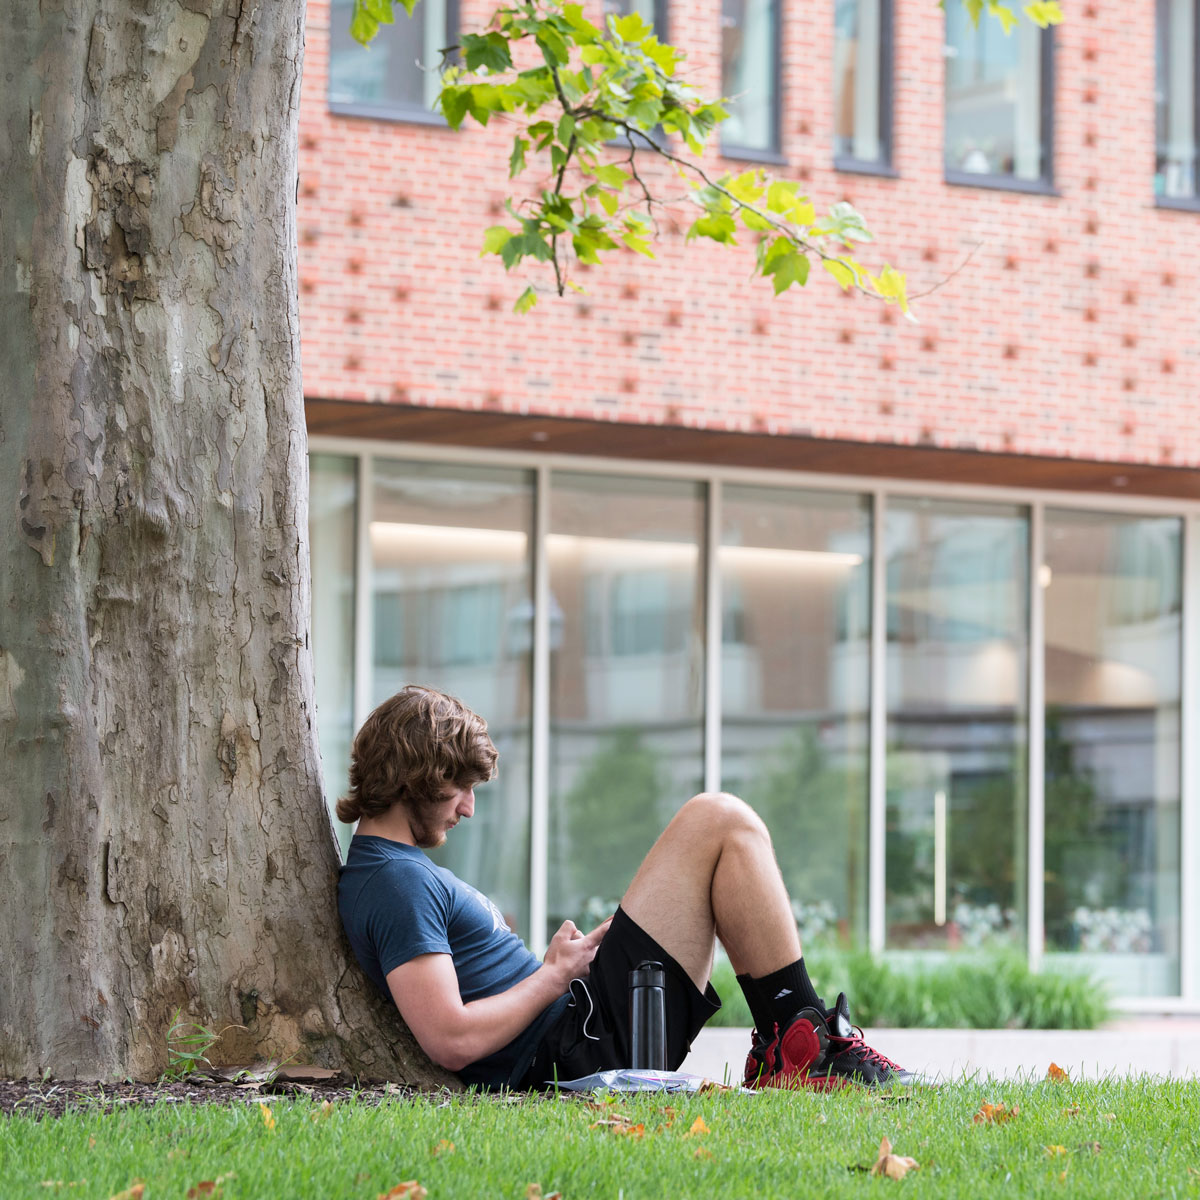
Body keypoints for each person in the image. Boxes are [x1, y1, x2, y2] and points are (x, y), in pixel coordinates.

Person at [337, 685, 912, 1092]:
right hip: (578, 1048)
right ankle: (798, 1044)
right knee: (718, 819)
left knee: (724, 825)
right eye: (457, 787)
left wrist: (559, 969)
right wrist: (552, 977)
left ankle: (794, 1041)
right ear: (415, 778)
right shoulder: (395, 882)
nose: (467, 807)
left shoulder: (394, 871)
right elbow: (450, 1039)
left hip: (579, 1023)